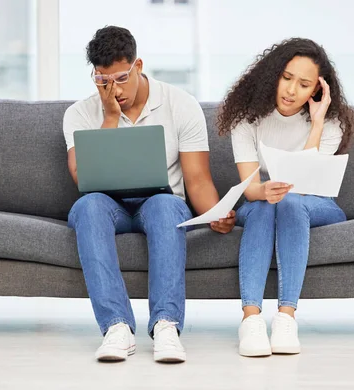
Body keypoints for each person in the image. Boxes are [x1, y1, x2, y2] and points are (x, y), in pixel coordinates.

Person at [63, 26, 235, 363]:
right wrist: (110, 116)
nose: (113, 89)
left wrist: (215, 213)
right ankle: (117, 329)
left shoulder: (180, 104)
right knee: (88, 207)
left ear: (138, 65)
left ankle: (166, 326)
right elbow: (82, 176)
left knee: (167, 206)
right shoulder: (79, 113)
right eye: (102, 81)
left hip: (159, 204)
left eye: (121, 78)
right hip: (106, 205)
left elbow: (197, 179)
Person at [217, 38, 354, 357]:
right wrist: (265, 192)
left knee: (291, 201)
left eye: (304, 84)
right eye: (286, 78)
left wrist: (318, 121)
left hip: (316, 203)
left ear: (316, 91)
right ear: (273, 75)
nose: (292, 90)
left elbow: (306, 185)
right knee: (268, 205)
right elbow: (250, 187)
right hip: (264, 200)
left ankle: (286, 317)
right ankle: (251, 321)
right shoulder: (247, 118)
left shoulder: (330, 123)